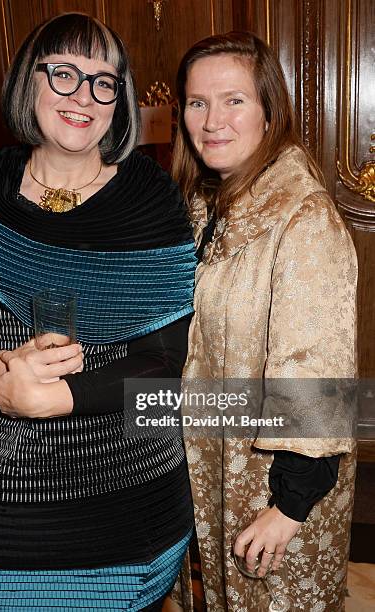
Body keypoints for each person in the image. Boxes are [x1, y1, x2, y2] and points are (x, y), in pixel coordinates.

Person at [0, 13, 197, 611]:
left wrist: (56, 399)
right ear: (28, 83)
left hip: (125, 508)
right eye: (63, 73)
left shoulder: (152, 200)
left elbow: (166, 366)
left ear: (120, 99)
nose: (83, 97)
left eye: (104, 81)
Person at [171, 32, 357, 611]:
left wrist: (290, 507)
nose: (212, 120)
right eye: (198, 102)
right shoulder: (206, 204)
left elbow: (318, 368)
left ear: (270, 110)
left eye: (234, 100)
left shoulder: (301, 218)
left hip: (273, 491)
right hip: (212, 462)